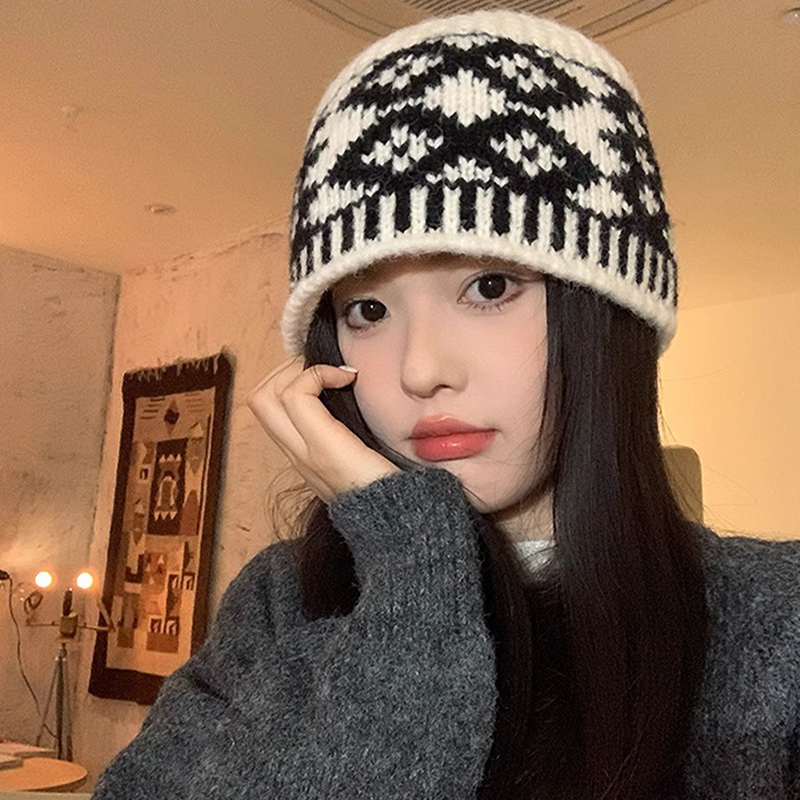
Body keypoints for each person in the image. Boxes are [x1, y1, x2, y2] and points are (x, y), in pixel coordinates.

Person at [92, 9, 800, 800]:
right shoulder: (281, 604)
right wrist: (408, 567)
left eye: (489, 286)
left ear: (608, 315)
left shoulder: (778, 620)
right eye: (367, 311)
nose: (421, 370)